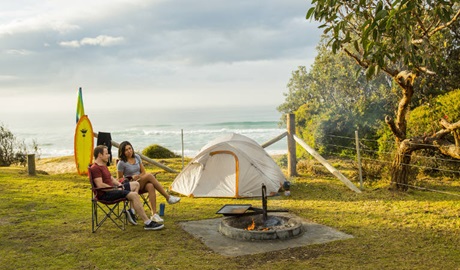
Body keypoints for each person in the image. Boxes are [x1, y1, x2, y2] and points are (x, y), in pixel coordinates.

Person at [90, 145, 164, 231]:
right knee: (134, 195)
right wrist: (116, 188)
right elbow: (100, 185)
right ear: (100, 155)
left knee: (136, 184)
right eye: (106, 153)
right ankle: (147, 222)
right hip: (107, 194)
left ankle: (131, 211)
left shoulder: (103, 165)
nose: (109, 155)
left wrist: (120, 185)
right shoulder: (95, 168)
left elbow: (111, 178)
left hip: (113, 189)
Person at [117, 141, 180, 223]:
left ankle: (154, 214)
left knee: (150, 185)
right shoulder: (121, 163)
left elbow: (143, 172)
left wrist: (139, 177)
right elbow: (120, 179)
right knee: (150, 176)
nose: (129, 151)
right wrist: (131, 177)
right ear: (122, 152)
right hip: (131, 186)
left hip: (140, 181)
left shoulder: (137, 157)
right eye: (126, 150)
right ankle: (168, 197)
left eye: (130, 148)